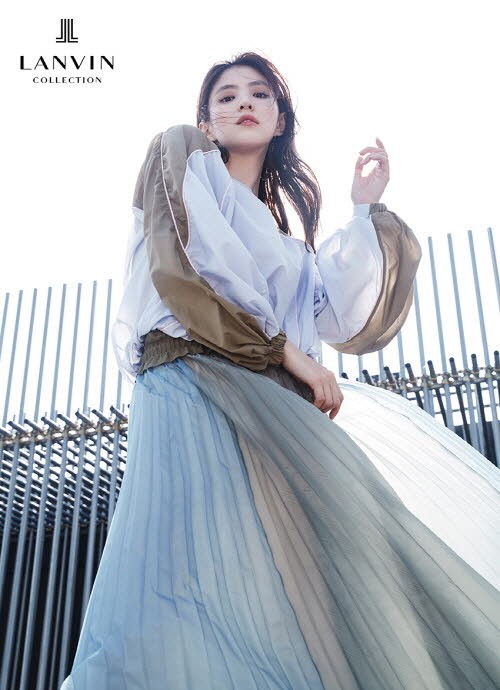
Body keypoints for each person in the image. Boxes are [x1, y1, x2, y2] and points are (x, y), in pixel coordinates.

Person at [61, 52, 500, 690]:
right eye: (226, 96)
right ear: (205, 123)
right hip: (196, 381)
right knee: (182, 568)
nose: (243, 101)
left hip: (280, 404)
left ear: (280, 117)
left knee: (336, 570)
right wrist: (284, 353)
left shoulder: (287, 246)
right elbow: (188, 269)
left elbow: (343, 319)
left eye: (259, 93)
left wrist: (364, 208)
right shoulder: (181, 155)